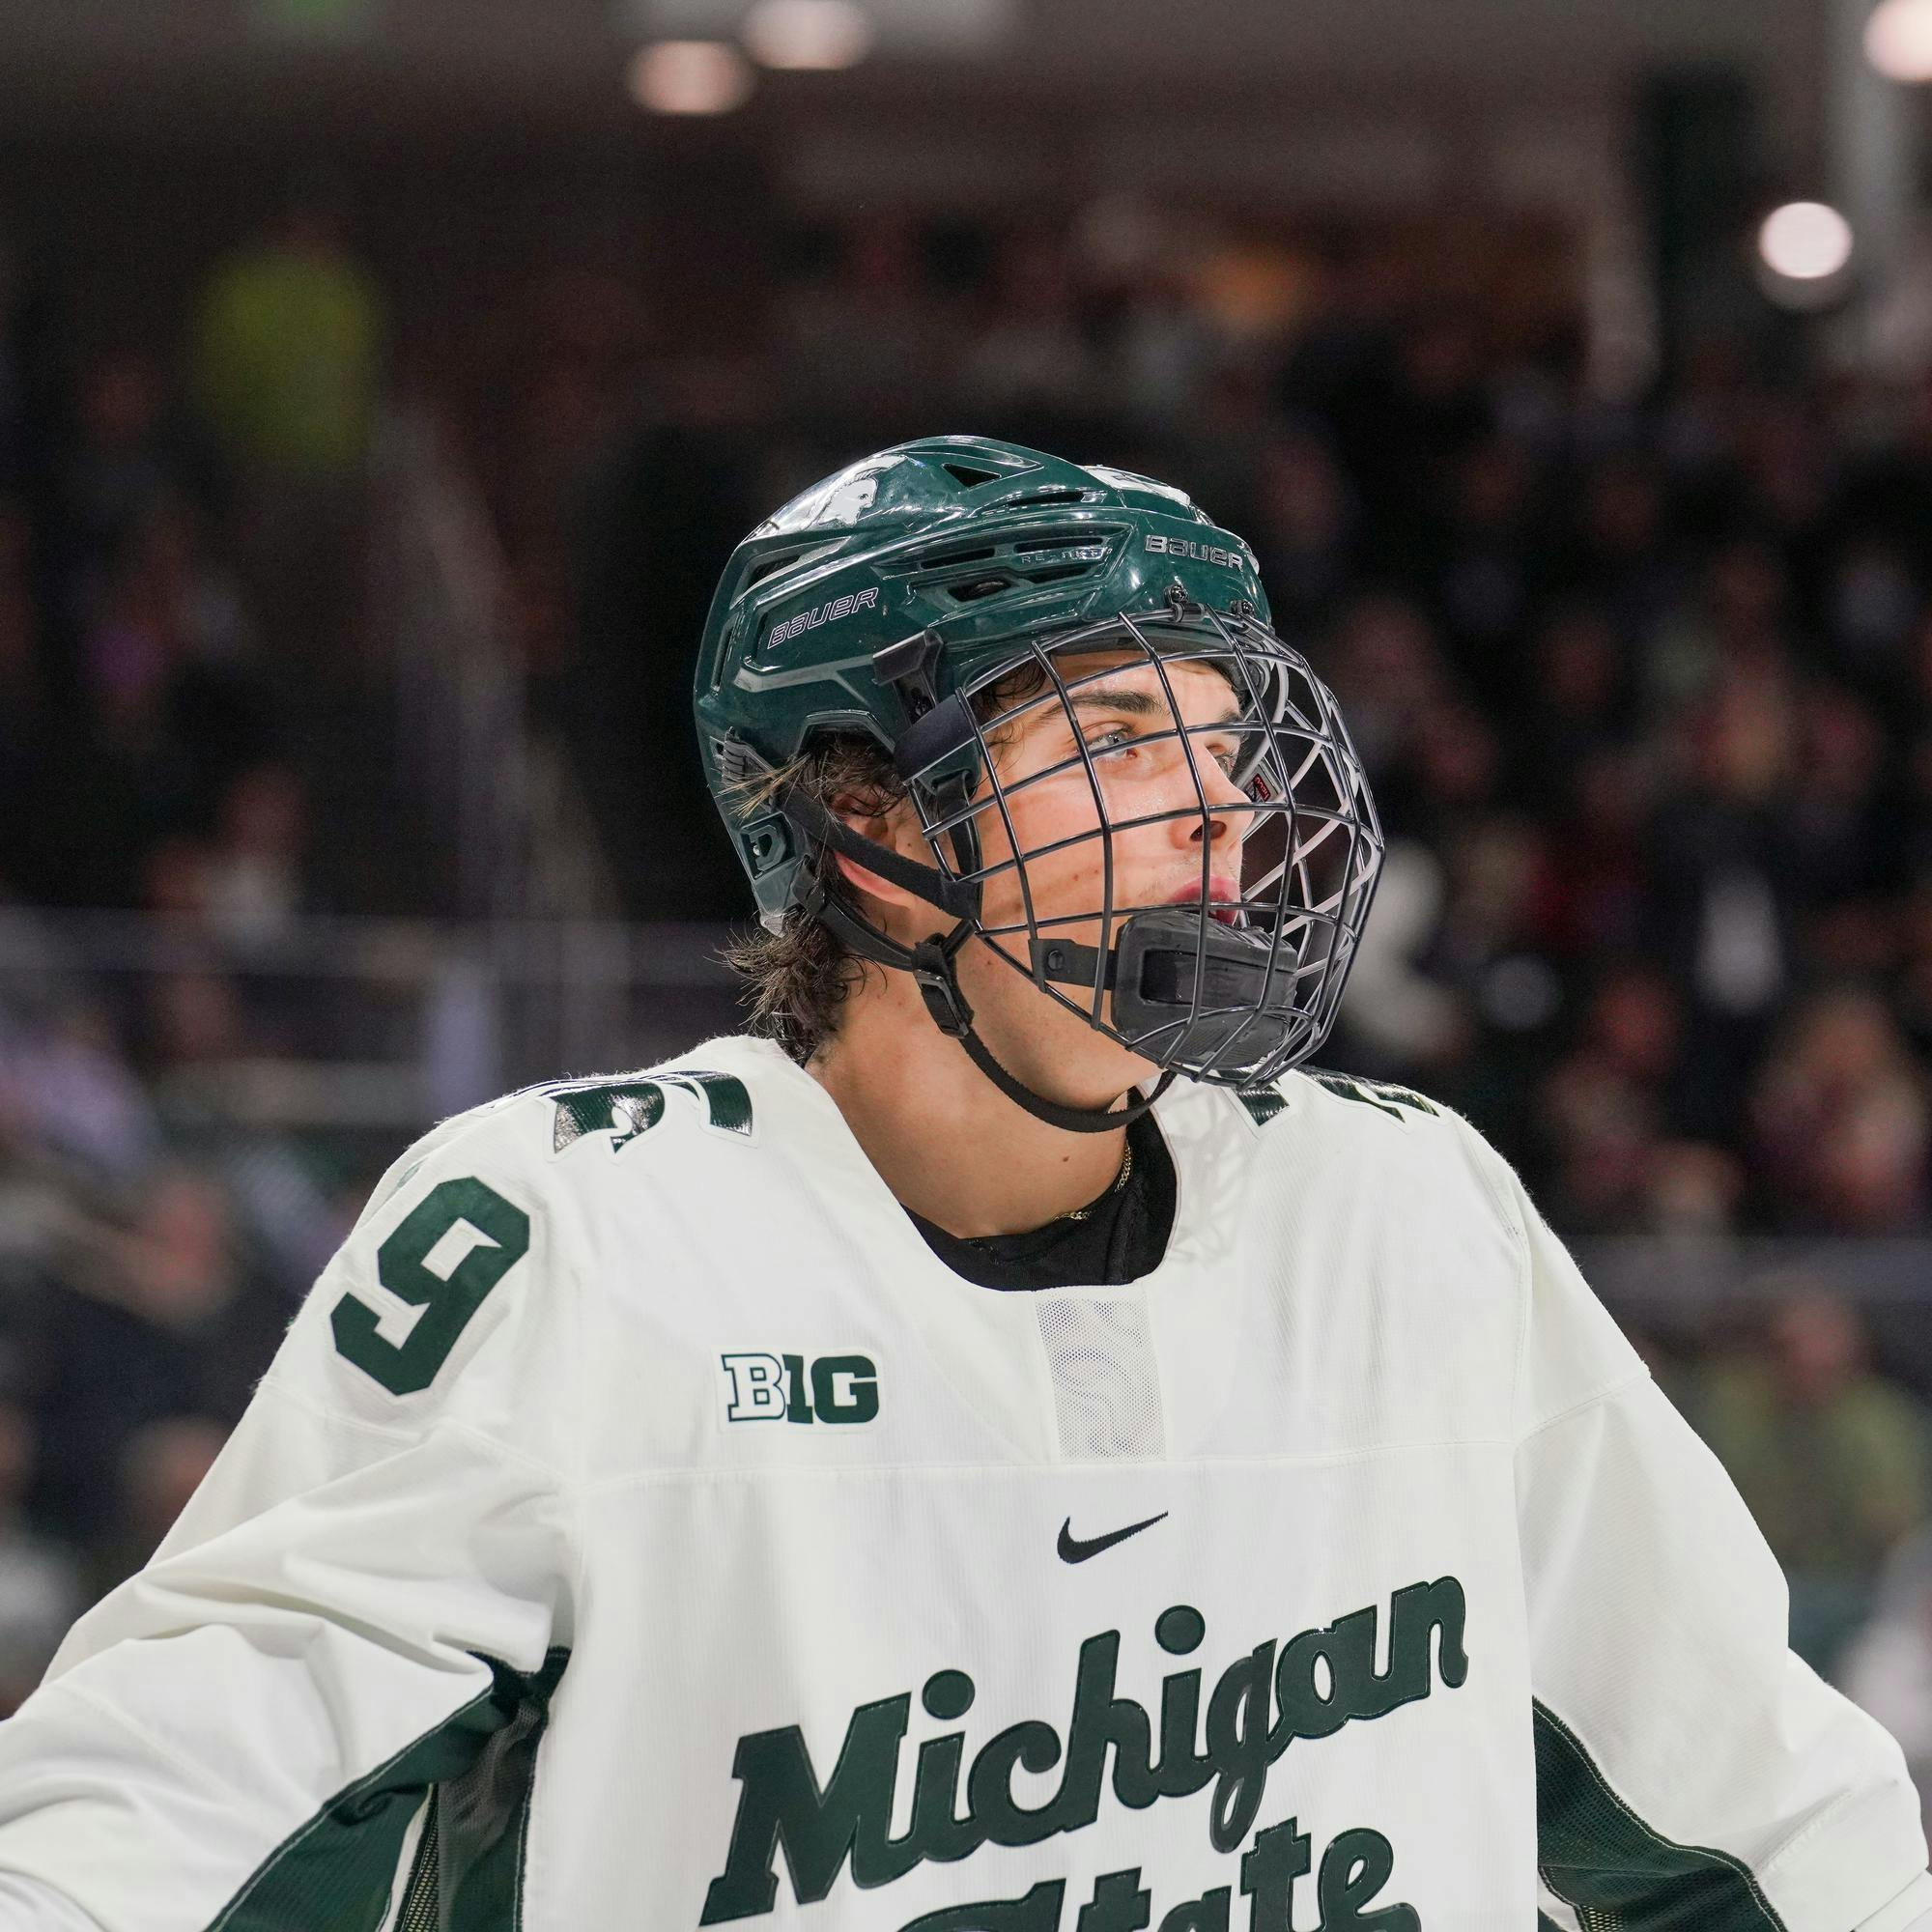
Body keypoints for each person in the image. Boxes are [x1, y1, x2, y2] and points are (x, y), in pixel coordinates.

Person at [0, 435, 1924, 1930]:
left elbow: (1752, 1806)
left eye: (1225, 733)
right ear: (865, 823)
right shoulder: (578, 1237)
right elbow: (191, 1778)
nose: (1219, 805)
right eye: (1109, 734)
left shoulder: (1405, 1220)